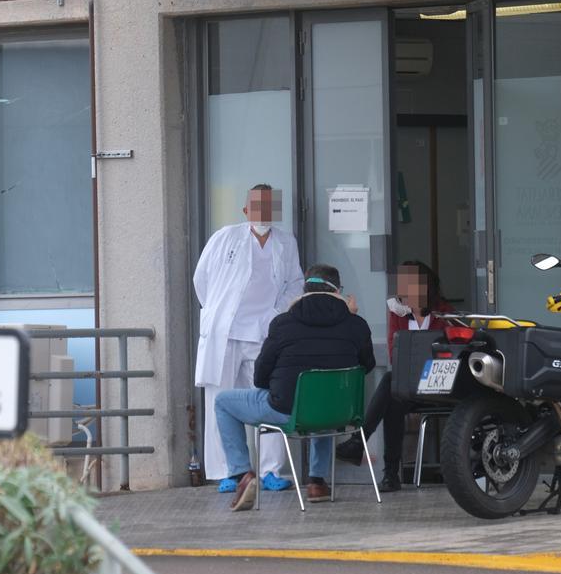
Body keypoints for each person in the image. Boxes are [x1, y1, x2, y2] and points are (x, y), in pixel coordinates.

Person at [217, 264, 376, 511]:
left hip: (286, 409)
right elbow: (368, 366)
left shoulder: (282, 323)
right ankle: (317, 482)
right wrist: (352, 317)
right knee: (323, 402)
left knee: (223, 402)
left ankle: (241, 475)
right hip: (338, 412)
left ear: (304, 289)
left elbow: (260, 377)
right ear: (339, 291)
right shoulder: (356, 325)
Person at [194, 184, 305, 493]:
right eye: (257, 206)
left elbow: (296, 283)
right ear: (246, 210)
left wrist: (277, 312)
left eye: (269, 206)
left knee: (269, 399)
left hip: (264, 332)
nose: (263, 212)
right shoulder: (224, 237)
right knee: (221, 400)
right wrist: (218, 311)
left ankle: (271, 471)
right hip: (225, 334)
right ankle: (229, 472)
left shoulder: (286, 241)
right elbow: (200, 279)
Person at [335, 260, 455, 492]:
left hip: (440, 382)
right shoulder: (398, 313)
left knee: (392, 384)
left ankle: (362, 444)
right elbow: (394, 352)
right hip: (410, 384)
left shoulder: (445, 313)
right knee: (394, 396)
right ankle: (390, 474)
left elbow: (451, 352)